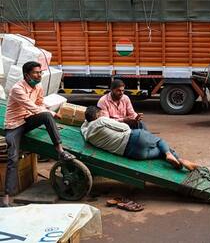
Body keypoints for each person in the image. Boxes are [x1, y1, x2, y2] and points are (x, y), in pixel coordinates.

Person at [2, 61, 75, 207]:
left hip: (28, 119)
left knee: (47, 116)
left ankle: (60, 151)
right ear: (26, 75)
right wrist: (50, 113)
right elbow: (33, 107)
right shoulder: (18, 89)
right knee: (13, 157)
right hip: (14, 125)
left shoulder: (39, 86)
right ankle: (7, 197)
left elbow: (40, 104)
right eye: (35, 73)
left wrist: (50, 112)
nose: (39, 75)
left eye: (40, 72)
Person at [81, 106, 198, 171]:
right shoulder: (101, 120)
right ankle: (172, 155)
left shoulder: (88, 136)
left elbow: (83, 127)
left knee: (159, 152)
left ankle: (179, 160)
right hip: (134, 138)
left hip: (133, 153)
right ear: (97, 115)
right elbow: (124, 128)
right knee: (159, 141)